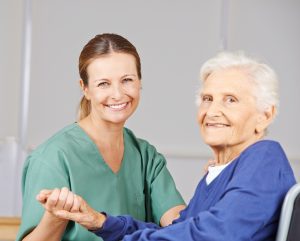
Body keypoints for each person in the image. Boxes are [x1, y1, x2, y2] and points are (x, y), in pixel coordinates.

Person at [37, 51, 296, 241]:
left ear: (265, 115)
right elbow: (174, 232)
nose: (213, 111)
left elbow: (213, 236)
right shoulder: (220, 172)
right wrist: (101, 222)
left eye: (230, 100)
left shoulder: (264, 158)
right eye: (207, 99)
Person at [16, 33, 185, 241]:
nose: (117, 94)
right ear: (85, 88)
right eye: (103, 83)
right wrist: (55, 217)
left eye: (127, 80)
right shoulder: (53, 158)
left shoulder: (145, 157)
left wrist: (215, 182)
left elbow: (181, 227)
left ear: (140, 82)